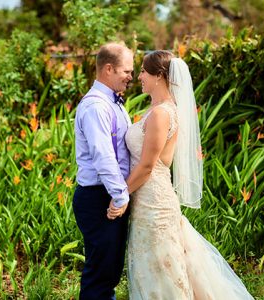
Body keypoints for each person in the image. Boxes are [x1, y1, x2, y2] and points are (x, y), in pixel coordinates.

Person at [108, 50, 254, 299]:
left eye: (143, 71)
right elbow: (160, 160)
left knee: (160, 269)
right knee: (152, 267)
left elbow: (147, 166)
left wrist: (119, 195)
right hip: (148, 199)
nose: (139, 76)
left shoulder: (162, 113)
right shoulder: (158, 109)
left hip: (154, 202)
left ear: (160, 76)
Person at [73, 42, 133, 300]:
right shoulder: (97, 106)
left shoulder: (113, 102)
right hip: (100, 198)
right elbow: (103, 156)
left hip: (107, 195)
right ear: (109, 69)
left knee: (108, 272)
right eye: (126, 71)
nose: (131, 77)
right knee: (100, 275)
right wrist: (120, 196)